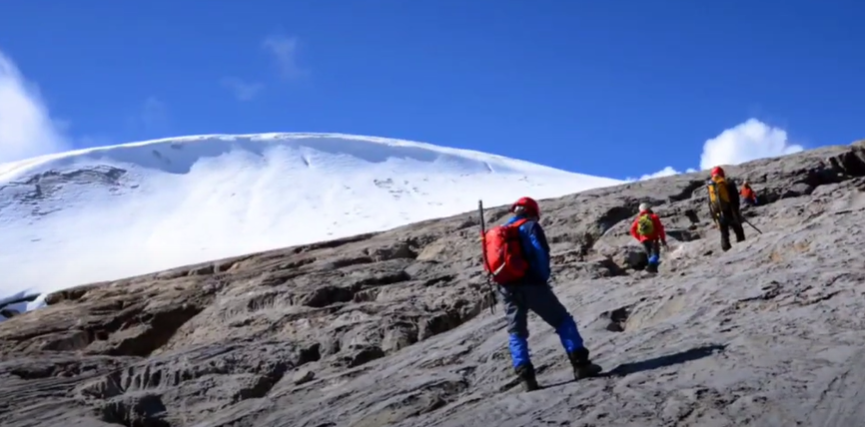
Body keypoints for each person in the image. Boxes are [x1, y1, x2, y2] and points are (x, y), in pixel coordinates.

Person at [494, 196, 602, 391]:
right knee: (563, 321)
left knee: (516, 332)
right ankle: (581, 365)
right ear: (533, 212)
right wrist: (542, 277)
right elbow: (541, 253)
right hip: (532, 284)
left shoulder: (500, 232)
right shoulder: (530, 227)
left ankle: (527, 378)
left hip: (507, 288)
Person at [707, 166, 745, 251]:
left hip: (718, 213)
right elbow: (735, 198)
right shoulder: (728, 183)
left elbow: (710, 202)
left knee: (724, 232)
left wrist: (714, 216)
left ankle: (726, 248)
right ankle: (742, 246)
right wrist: (736, 209)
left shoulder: (711, 186)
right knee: (738, 228)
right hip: (729, 210)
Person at [629, 202, 668, 273]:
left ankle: (653, 268)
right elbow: (660, 229)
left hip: (644, 240)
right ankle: (651, 267)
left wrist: (640, 238)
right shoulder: (653, 216)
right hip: (653, 238)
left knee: (649, 253)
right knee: (656, 253)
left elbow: (632, 230)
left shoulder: (638, 219)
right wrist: (662, 239)